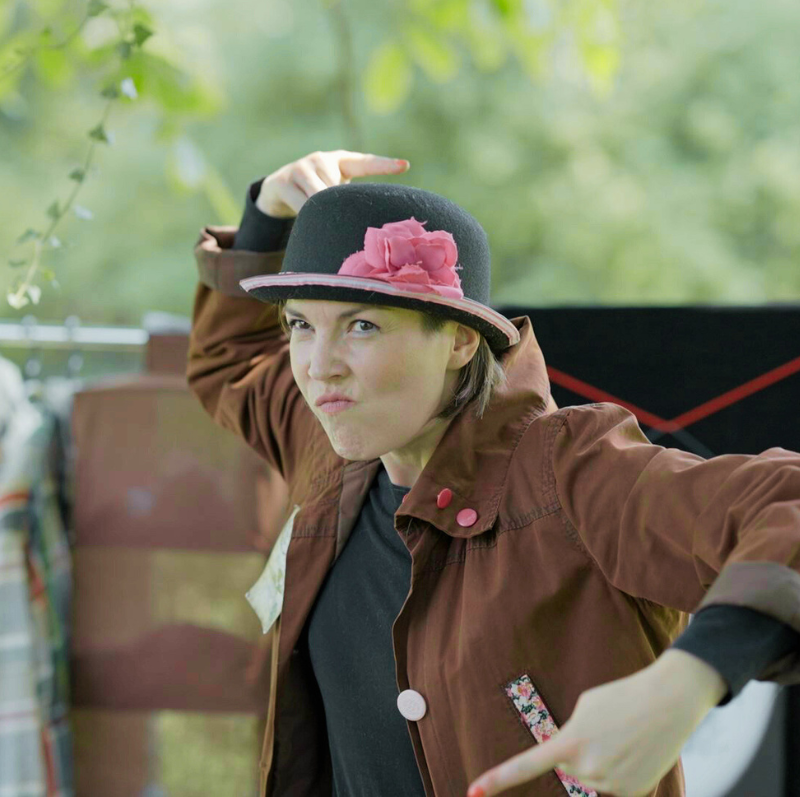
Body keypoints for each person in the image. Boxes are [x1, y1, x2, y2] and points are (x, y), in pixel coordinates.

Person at [187, 150, 800, 797]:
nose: (318, 365)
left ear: (459, 341)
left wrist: (687, 682)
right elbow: (231, 360)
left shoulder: (569, 472)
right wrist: (265, 218)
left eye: (362, 326)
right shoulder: (327, 447)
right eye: (300, 326)